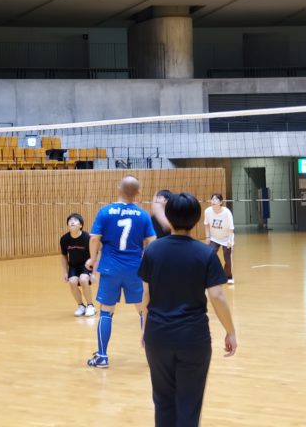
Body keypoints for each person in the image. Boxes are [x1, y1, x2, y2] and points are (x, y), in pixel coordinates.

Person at [141, 193, 237, 427]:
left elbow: (146, 295)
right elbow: (217, 296)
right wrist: (230, 331)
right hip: (192, 338)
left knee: (163, 401)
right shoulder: (205, 253)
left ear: (169, 217)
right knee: (189, 403)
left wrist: (145, 329)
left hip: (158, 335)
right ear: (196, 219)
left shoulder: (153, 251)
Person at [85, 176, 156, 368]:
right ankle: (152, 356)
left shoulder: (105, 211)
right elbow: (153, 242)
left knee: (106, 312)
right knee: (143, 311)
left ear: (118, 189)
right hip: (135, 269)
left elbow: (94, 238)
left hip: (110, 267)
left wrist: (92, 258)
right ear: (138, 193)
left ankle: (102, 357)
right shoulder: (142, 215)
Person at [59, 213, 95, 317]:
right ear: (67, 225)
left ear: (81, 225)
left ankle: (90, 306)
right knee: (72, 281)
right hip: (73, 266)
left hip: (86, 265)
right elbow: (64, 256)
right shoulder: (64, 239)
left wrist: (94, 273)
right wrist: (65, 272)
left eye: (75, 220)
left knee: (83, 279)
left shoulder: (87, 238)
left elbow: (95, 255)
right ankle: (81, 306)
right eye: (70, 221)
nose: (72, 222)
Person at [203, 194, 235, 284]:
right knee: (209, 255)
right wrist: (207, 237)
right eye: (212, 199)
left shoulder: (227, 212)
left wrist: (230, 240)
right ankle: (210, 276)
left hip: (227, 237)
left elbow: (231, 228)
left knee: (227, 257)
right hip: (214, 238)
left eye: (216, 199)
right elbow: (206, 224)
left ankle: (228, 276)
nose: (213, 201)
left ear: (221, 202)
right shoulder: (207, 211)